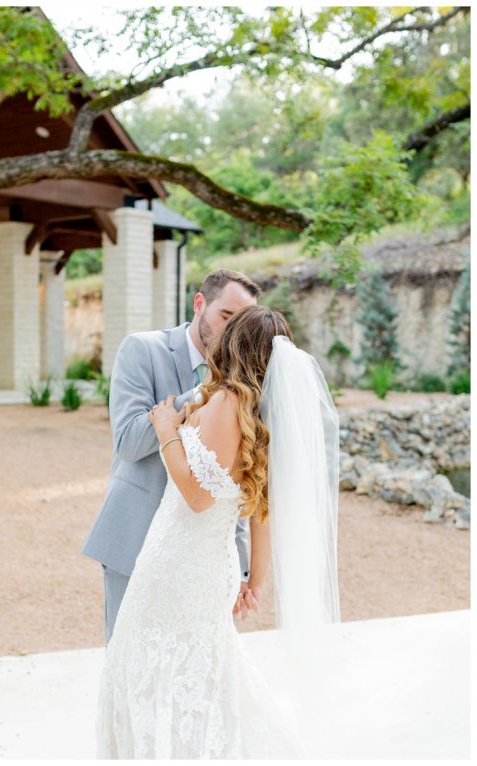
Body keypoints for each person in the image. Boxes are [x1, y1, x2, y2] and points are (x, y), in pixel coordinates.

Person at [96, 305, 341, 758]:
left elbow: (196, 494)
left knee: (152, 668)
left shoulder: (227, 401)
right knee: (204, 671)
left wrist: (168, 430)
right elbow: (263, 510)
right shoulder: (264, 416)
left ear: (233, 343)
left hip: (179, 561)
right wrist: (256, 580)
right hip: (212, 564)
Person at [82, 269, 260, 641]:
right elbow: (129, 442)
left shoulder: (244, 382)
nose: (232, 332)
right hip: (136, 538)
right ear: (199, 304)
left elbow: (239, 474)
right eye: (226, 317)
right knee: (129, 662)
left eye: (240, 323)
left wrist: (243, 568)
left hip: (203, 559)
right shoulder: (143, 349)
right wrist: (199, 396)